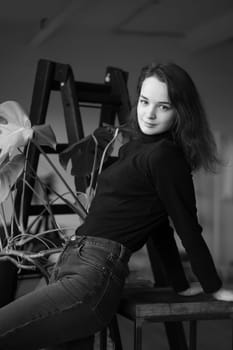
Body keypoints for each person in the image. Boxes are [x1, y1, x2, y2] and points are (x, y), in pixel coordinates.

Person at [0, 61, 233, 349]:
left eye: (164, 106)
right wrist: (181, 284)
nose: (149, 113)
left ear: (181, 111)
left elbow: (186, 227)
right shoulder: (134, 148)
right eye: (145, 101)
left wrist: (213, 287)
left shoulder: (166, 157)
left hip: (93, 276)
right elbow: (159, 227)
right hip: (71, 261)